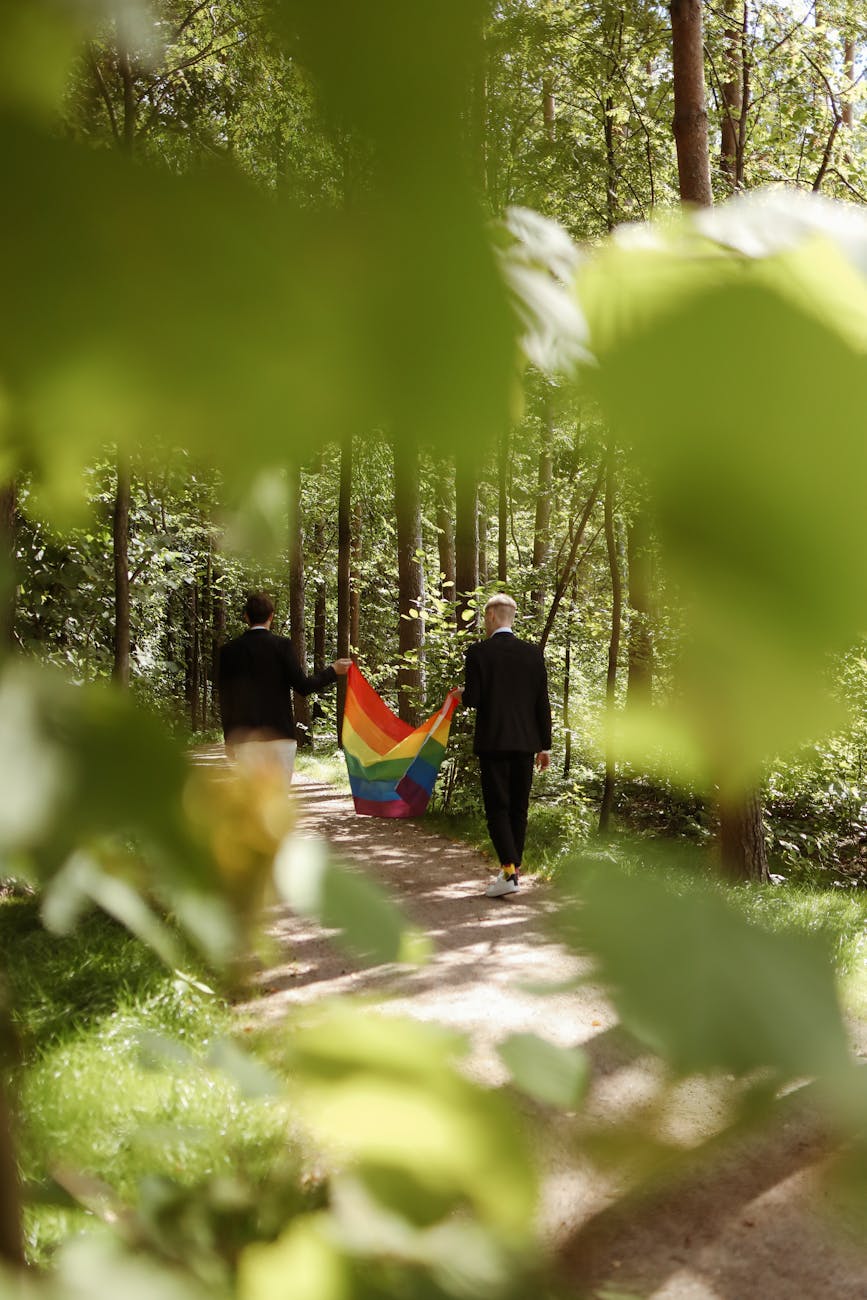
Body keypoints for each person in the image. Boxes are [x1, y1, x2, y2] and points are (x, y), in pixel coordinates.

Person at [458, 593, 551, 897]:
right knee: (518, 809)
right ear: (512, 616)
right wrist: (545, 746)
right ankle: (511, 874)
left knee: (498, 808)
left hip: (494, 742)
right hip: (526, 743)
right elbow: (542, 704)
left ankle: (509, 873)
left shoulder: (478, 653)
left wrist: (461, 692)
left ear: (491, 617)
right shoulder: (533, 654)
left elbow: (472, 700)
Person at [218, 592, 351, 785]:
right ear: (271, 616)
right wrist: (333, 670)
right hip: (280, 737)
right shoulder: (282, 646)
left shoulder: (228, 652)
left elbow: (226, 700)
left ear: (246, 616)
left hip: (245, 739)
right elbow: (303, 687)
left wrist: (229, 739)